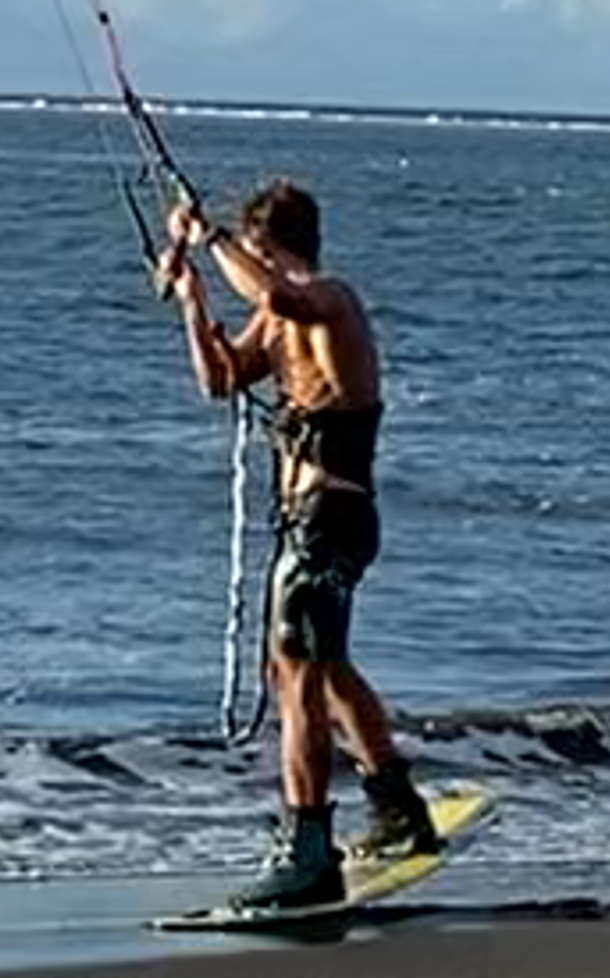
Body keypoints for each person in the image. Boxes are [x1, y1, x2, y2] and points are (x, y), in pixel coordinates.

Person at [160, 175, 441, 922]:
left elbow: (283, 298)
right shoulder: (278, 317)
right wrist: (192, 296)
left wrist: (206, 237)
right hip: (307, 520)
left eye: (253, 254)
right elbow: (220, 380)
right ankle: (398, 808)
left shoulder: (329, 298)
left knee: (298, 682)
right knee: (322, 666)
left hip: (332, 517)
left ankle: (307, 850)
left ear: (272, 249)